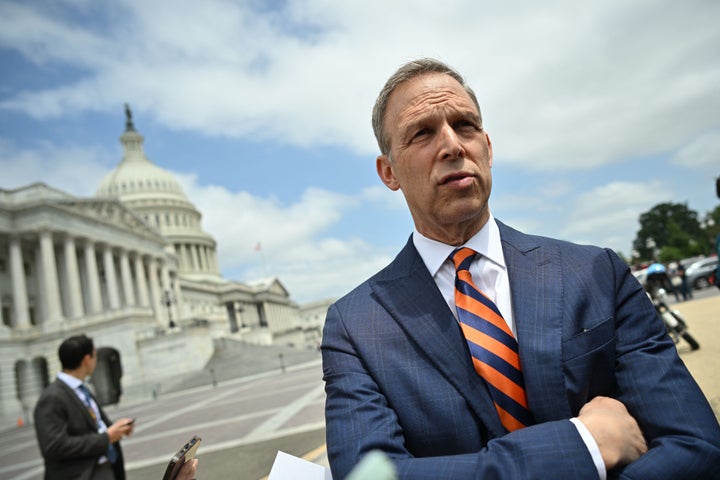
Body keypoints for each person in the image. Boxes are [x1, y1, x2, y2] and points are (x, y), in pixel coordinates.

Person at [321, 58, 720, 480]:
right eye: (422, 133)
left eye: (466, 126)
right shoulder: (355, 326)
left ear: (488, 149)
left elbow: (695, 445)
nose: (453, 145)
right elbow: (367, 475)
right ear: (389, 173)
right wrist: (585, 445)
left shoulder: (596, 272)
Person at [33, 334, 198, 480]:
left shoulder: (82, 389)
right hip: (80, 474)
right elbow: (53, 446)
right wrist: (107, 437)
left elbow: (94, 426)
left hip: (104, 468)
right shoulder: (52, 397)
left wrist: (116, 429)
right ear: (87, 359)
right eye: (95, 355)